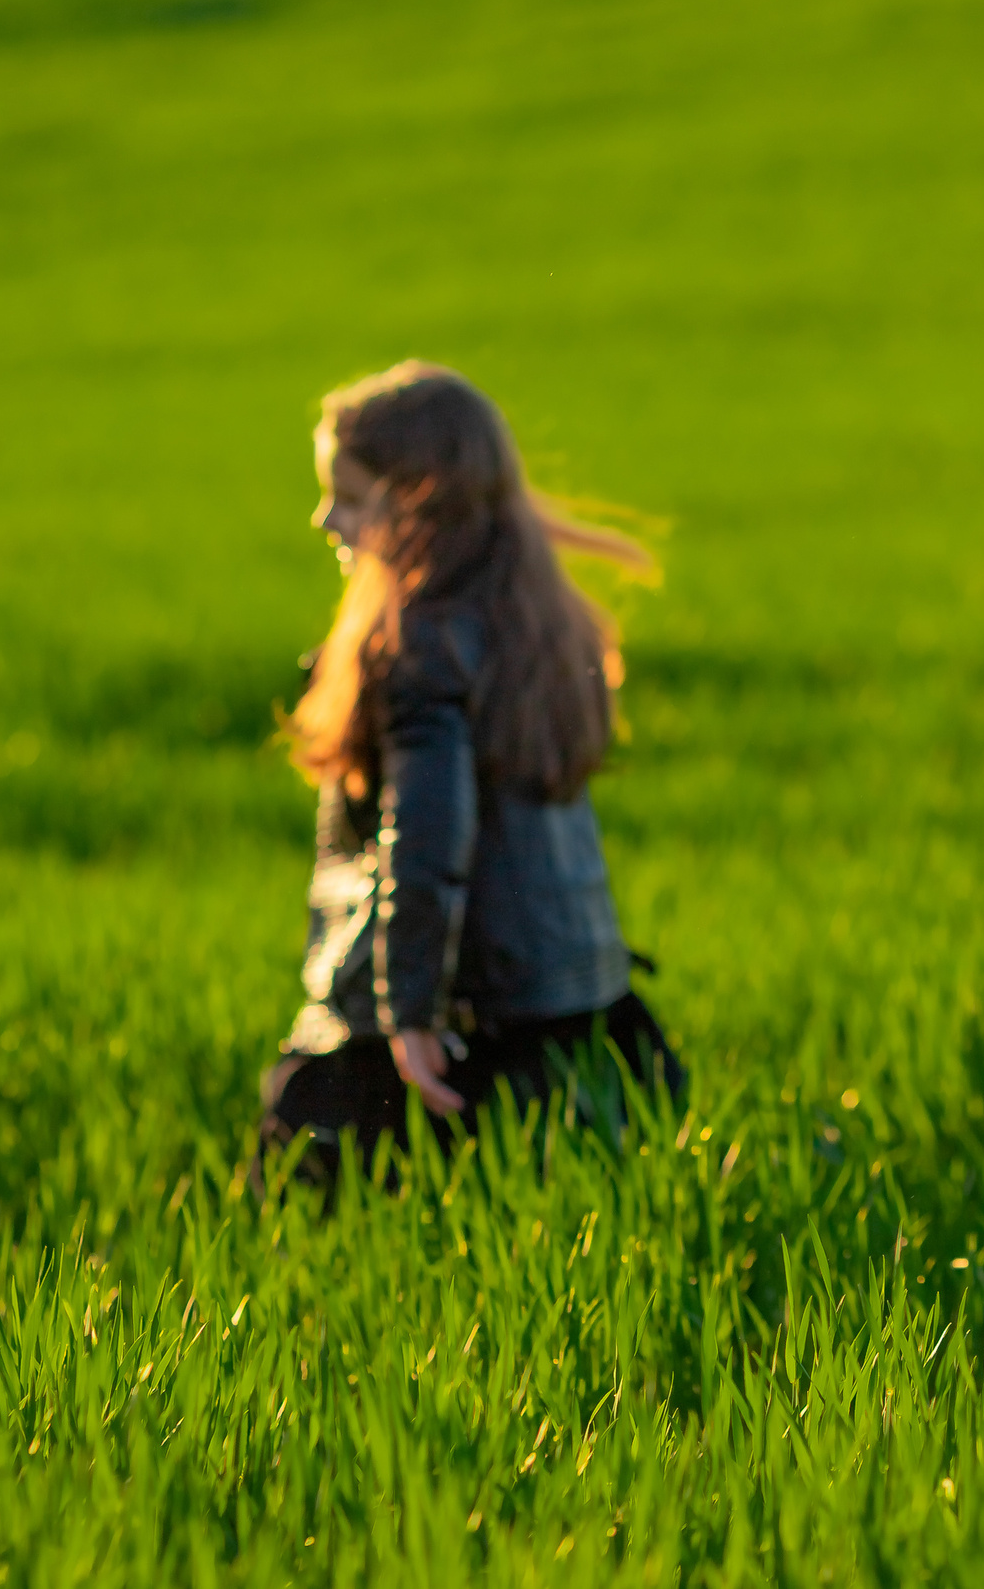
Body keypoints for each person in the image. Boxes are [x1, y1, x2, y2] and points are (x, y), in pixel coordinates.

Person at [256, 361, 682, 1189]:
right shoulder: (543, 629)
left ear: (417, 502)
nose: (324, 519)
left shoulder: (416, 648)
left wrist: (407, 1015)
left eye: (346, 497)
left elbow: (424, 843)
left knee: (328, 1221)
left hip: (459, 1021)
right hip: (571, 1006)